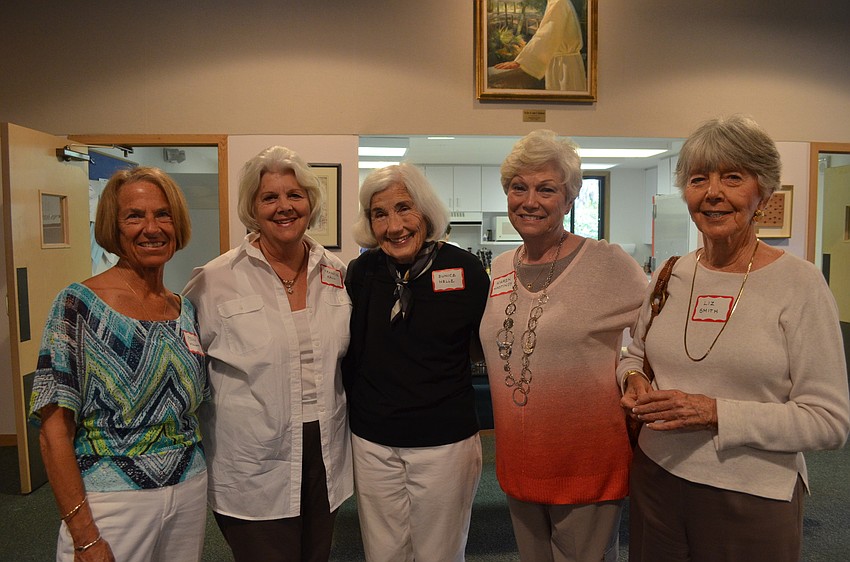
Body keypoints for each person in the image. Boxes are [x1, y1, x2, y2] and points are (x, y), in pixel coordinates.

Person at [619, 115, 850, 561]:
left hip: (750, 495)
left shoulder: (799, 285)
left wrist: (714, 413)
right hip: (656, 479)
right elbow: (634, 353)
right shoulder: (670, 273)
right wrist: (632, 379)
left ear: (762, 191)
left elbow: (829, 422)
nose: (713, 193)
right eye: (698, 178)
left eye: (733, 177)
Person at [479, 129, 647, 561]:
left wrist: (632, 370)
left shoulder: (606, 263)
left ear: (570, 199)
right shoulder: (500, 267)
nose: (529, 200)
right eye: (519, 187)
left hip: (583, 461)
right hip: (519, 459)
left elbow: (658, 328)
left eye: (546, 189)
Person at [29, 167, 208, 562]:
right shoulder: (77, 307)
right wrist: (85, 536)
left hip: (189, 490)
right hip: (111, 499)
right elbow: (53, 431)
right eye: (134, 216)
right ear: (114, 226)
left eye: (163, 214)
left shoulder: (184, 309)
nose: (152, 228)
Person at [183, 146, 352, 562]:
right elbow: (187, 368)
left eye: (294, 195)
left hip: (324, 454)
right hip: (253, 460)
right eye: (269, 197)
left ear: (311, 204)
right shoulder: (215, 280)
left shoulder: (336, 273)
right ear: (252, 209)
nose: (284, 207)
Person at [344, 163, 489, 562]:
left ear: (425, 210)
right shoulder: (361, 272)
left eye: (404, 208)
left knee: (439, 551)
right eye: (380, 213)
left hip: (444, 441)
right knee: (383, 550)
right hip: (373, 439)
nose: (394, 226)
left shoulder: (465, 270)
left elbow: (485, 347)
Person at [493, 0, 587, 91]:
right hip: (565, 62)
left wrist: (520, 61)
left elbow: (546, 36)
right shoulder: (559, 2)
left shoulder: (558, 2)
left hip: (563, 66)